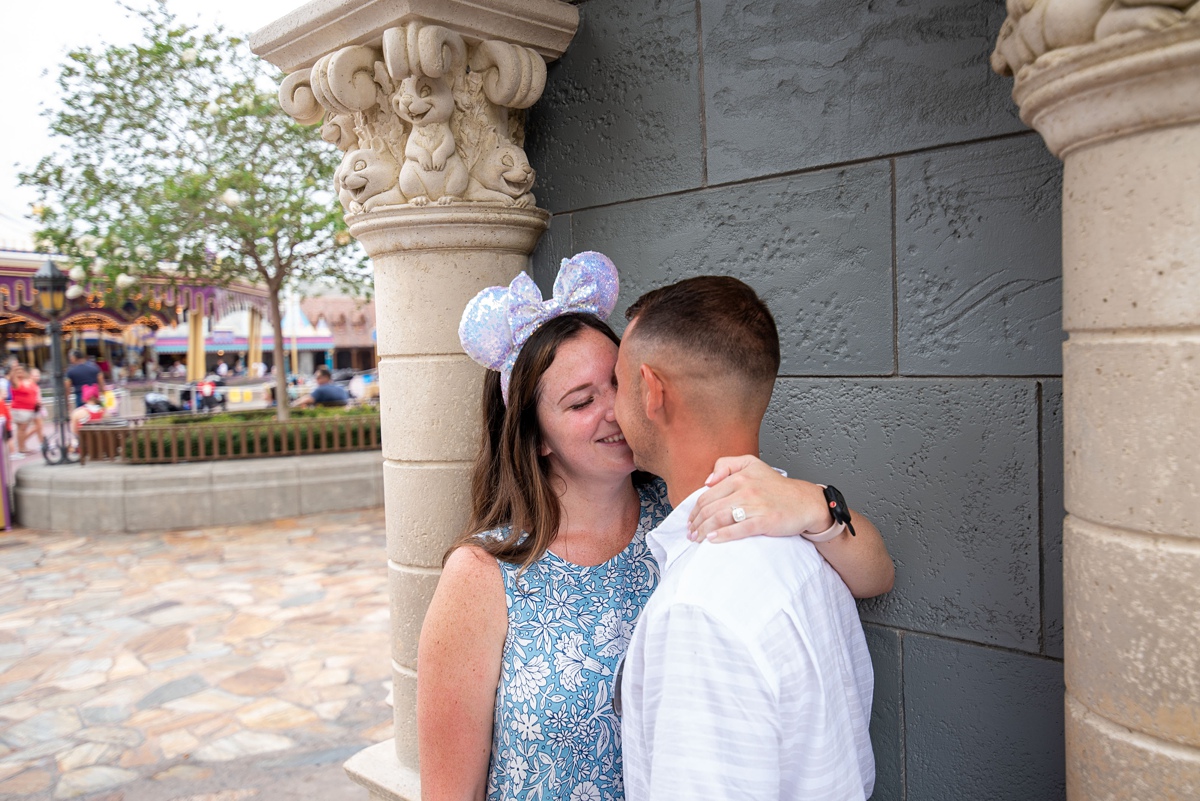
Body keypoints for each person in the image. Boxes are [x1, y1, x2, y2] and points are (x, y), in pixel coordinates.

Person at [417, 254, 894, 800]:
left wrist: (814, 503)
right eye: (581, 402)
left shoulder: (691, 515)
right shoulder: (483, 574)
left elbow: (874, 574)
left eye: (615, 383)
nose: (616, 411)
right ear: (537, 436)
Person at [615, 276, 875, 800]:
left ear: (651, 390)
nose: (609, 409)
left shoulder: (696, 611)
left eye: (617, 385)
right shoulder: (809, 547)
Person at [9, 366, 40, 457]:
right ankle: (21, 448)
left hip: (27, 410)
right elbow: (12, 378)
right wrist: (14, 370)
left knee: (23, 429)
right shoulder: (16, 382)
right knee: (21, 429)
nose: (20, 373)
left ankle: (23, 446)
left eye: (21, 371)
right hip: (20, 410)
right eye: (18, 372)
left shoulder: (26, 382)